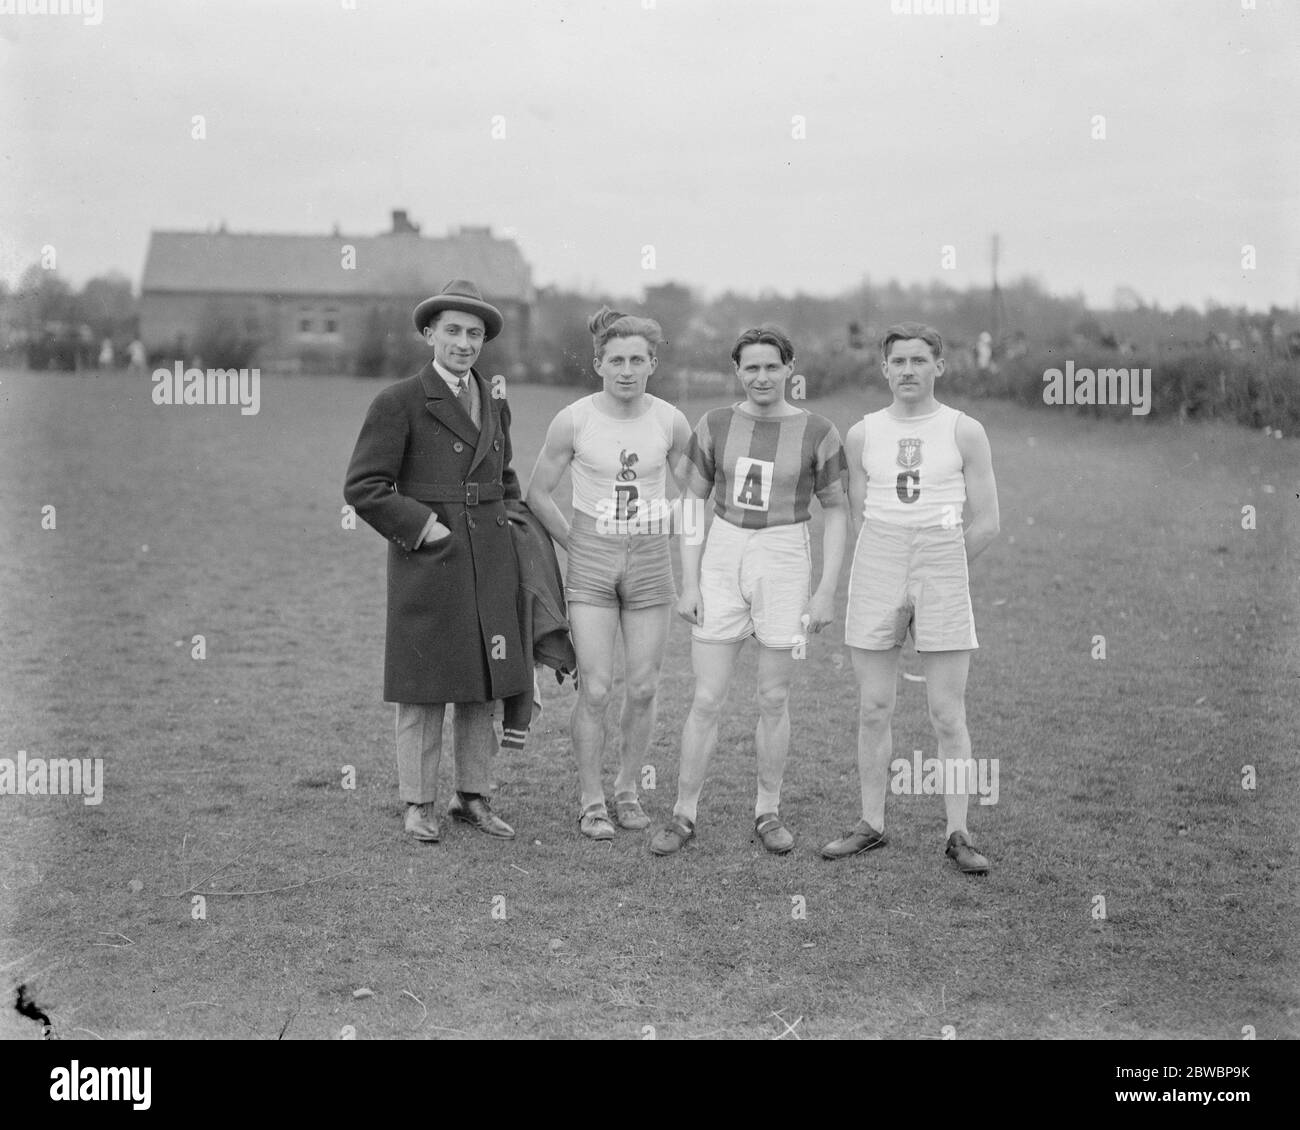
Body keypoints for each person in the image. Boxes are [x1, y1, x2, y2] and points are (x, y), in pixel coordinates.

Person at [650, 326, 848, 856]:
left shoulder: (819, 431)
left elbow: (837, 512)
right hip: (723, 552)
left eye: (771, 366)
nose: (761, 376)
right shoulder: (715, 424)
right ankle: (683, 812)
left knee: (773, 696)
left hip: (784, 555)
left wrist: (827, 590)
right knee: (707, 696)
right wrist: (689, 581)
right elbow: (691, 504)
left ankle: (768, 810)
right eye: (751, 367)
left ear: (789, 368)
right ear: (737, 372)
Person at [344, 279, 530, 843]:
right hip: (431, 558)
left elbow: (506, 478)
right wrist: (426, 529)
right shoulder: (398, 400)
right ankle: (418, 803)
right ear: (429, 333)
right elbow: (365, 486)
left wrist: (515, 527)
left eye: (474, 334)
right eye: (452, 330)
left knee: (483, 679)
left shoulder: (494, 400)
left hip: (490, 557)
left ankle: (472, 796)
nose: (464, 343)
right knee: (424, 686)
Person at [821, 322, 1000, 874]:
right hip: (879, 562)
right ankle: (871, 824)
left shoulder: (963, 430)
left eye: (919, 360)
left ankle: (958, 832)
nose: (907, 370)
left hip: (941, 563)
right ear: (884, 368)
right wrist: (891, 566)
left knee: (948, 713)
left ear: (938, 366)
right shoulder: (863, 433)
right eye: (897, 361)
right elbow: (857, 513)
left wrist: (943, 567)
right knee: (875, 706)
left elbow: (989, 520)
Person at [526, 307, 692, 840]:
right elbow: (537, 492)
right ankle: (591, 799)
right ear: (598, 364)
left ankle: (626, 789)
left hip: (649, 559)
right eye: (615, 360)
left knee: (643, 687)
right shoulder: (574, 419)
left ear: (652, 364)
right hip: (593, 557)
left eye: (637, 360)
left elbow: (695, 492)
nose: (626, 369)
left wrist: (671, 529)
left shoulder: (669, 420)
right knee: (595, 689)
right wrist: (575, 541)